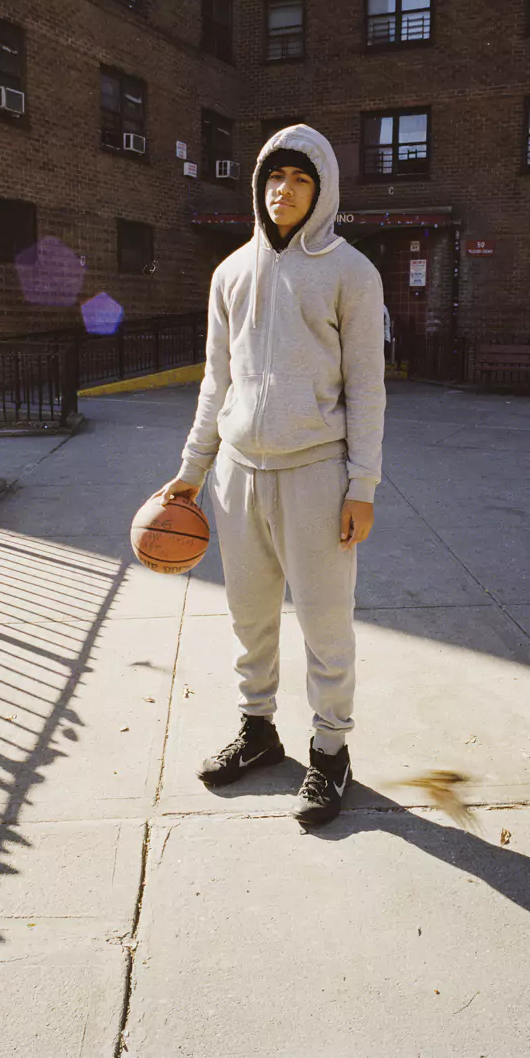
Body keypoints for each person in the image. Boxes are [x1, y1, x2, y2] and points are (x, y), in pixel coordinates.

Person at [157, 124, 386, 827]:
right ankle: (257, 731)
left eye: (300, 179)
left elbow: (367, 386)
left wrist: (362, 485)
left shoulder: (351, 272)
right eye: (275, 177)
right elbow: (216, 380)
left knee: (325, 621)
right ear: (259, 185)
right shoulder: (230, 273)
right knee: (249, 617)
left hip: (316, 472)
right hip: (237, 474)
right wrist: (192, 468)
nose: (284, 190)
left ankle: (331, 752)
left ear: (322, 191)